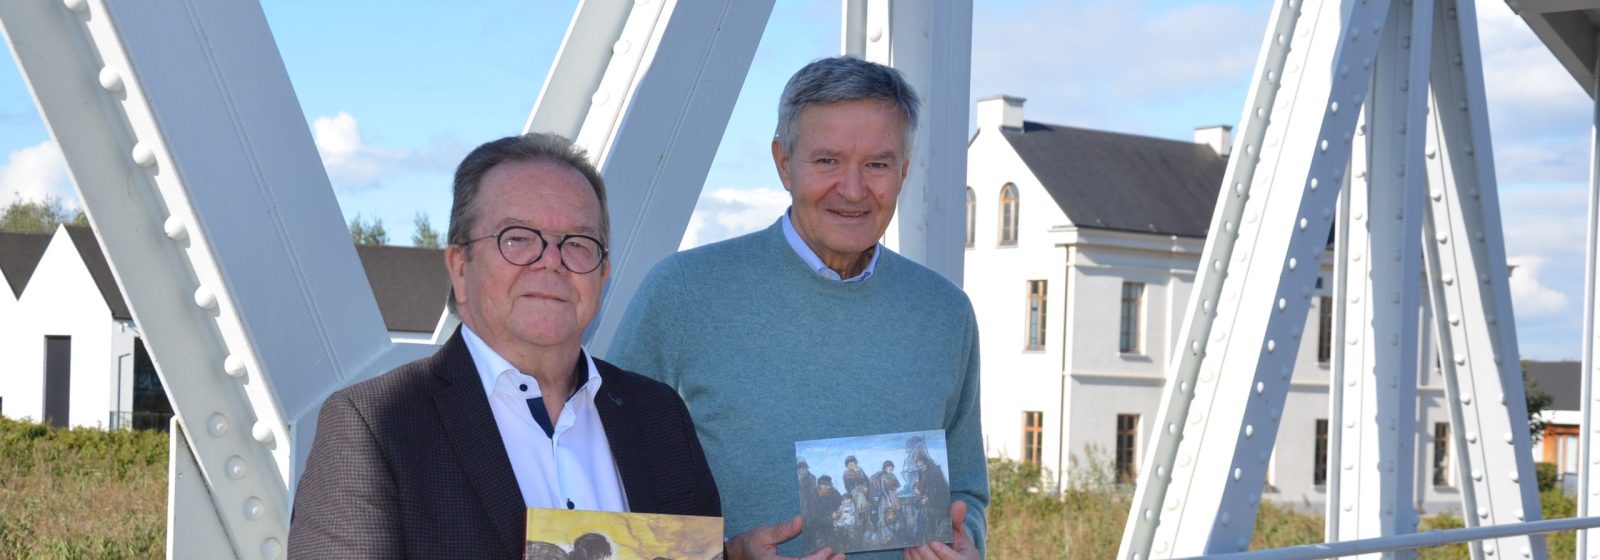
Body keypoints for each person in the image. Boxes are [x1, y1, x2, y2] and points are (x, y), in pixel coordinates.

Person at [610, 56, 987, 560]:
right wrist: (725, 555)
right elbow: (606, 481)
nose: (853, 190)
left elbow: (965, 490)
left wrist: (967, 546)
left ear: (903, 170)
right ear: (783, 162)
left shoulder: (945, 313)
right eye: (827, 160)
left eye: (876, 164)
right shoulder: (682, 293)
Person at [288, 133, 721, 559]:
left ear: (602, 273)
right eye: (517, 238)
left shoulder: (660, 418)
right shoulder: (375, 427)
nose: (551, 260)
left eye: (577, 242)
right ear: (460, 267)